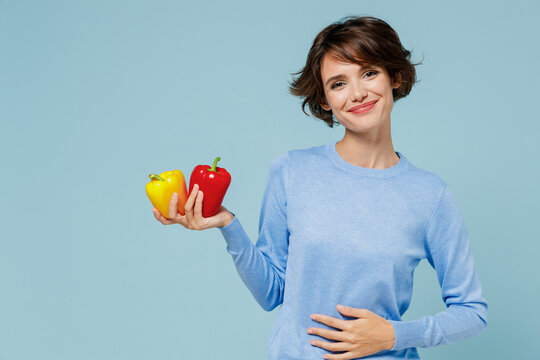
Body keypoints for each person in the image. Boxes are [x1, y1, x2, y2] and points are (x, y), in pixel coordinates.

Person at [152, 15, 488, 360]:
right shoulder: (292, 171)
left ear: (395, 78)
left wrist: (393, 335)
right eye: (338, 83)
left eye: (370, 73)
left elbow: (472, 312)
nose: (357, 93)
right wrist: (227, 224)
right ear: (325, 100)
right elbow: (271, 293)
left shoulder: (430, 196)